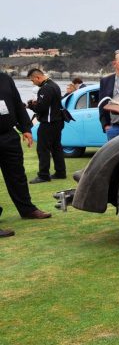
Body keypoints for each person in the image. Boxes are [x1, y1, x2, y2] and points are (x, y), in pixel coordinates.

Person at [0, 71, 53, 237]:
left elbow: (17, 104)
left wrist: (26, 129)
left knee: (17, 175)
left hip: (8, 135)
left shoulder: (5, 79)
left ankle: (27, 209)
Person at [26, 69, 66, 184]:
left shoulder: (46, 88)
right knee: (56, 147)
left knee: (43, 149)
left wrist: (31, 106)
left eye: (32, 80)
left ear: (38, 77)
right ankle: (60, 172)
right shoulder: (54, 85)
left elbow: (41, 108)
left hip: (48, 123)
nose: (33, 83)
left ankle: (43, 175)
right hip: (57, 121)